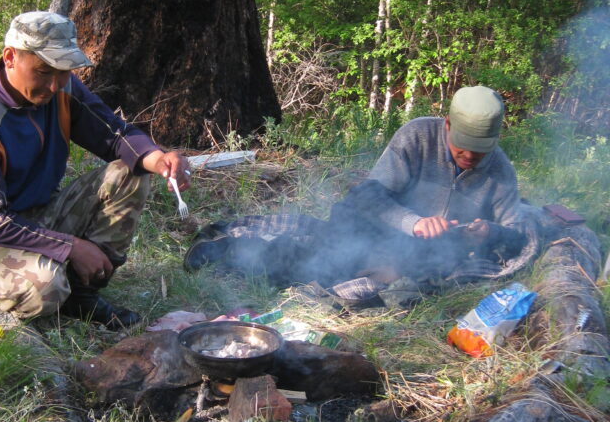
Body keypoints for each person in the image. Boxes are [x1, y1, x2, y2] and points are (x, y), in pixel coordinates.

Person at [0, 11, 190, 329]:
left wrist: (158, 159)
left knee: (129, 174)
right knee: (45, 287)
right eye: (44, 71)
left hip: (39, 213)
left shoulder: (62, 88)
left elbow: (113, 134)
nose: (55, 84)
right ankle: (53, 288)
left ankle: (82, 295)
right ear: (10, 57)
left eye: (64, 72)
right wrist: (71, 247)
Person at [185, 85, 525, 293]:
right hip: (372, 230)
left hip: (422, 254)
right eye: (461, 146)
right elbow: (369, 196)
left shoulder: (500, 171)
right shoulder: (418, 136)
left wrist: (490, 232)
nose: (468, 156)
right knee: (322, 265)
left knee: (408, 274)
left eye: (478, 151)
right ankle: (230, 251)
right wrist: (414, 223)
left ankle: (387, 270)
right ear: (448, 125)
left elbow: (518, 233)